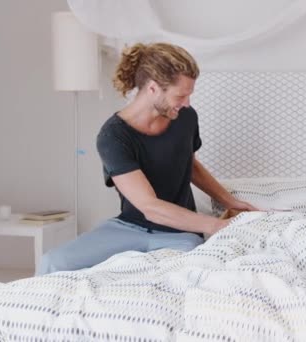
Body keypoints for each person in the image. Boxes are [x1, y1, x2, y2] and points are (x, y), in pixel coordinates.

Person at [37, 42, 256, 275]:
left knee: (191, 274)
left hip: (179, 234)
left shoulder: (185, 118)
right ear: (153, 88)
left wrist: (229, 201)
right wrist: (216, 225)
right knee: (53, 261)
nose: (187, 103)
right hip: (128, 228)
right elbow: (150, 208)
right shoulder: (113, 135)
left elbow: (190, 166)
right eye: (181, 95)